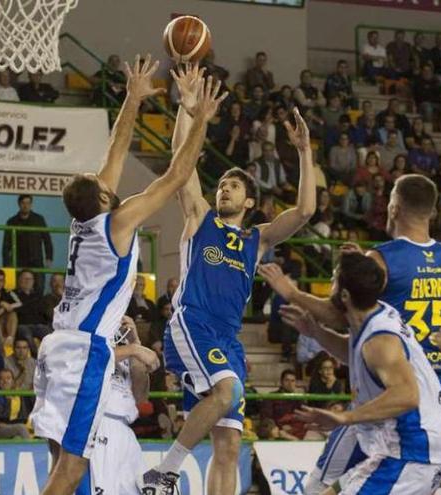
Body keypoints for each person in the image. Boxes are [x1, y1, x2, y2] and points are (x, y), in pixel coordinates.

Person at [32, 57, 222, 495]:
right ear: (100, 197)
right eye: (101, 184)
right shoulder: (116, 222)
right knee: (72, 470)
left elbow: (114, 151)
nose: (108, 180)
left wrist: (133, 98)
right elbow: (176, 176)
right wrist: (200, 121)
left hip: (57, 346)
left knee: (61, 463)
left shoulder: (85, 221)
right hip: (83, 352)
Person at [138, 61, 315, 495]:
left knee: (230, 445)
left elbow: (306, 211)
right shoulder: (201, 219)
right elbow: (181, 169)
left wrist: (305, 153)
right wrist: (188, 107)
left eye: (234, 187)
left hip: (227, 339)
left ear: (250, 201)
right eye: (222, 185)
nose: (225, 189)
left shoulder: (256, 239)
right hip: (192, 324)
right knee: (227, 390)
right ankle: (165, 471)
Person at [258, 174, 441, 493]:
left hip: (395, 393)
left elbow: (339, 314)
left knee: (323, 484)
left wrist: (292, 292)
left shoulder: (385, 259)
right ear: (434, 211)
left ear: (393, 207)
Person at [282, 252, 441, 494]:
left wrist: (345, 418)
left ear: (345, 296)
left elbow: (407, 395)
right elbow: (354, 352)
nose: (329, 285)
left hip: (410, 456)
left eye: (333, 280)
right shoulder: (375, 314)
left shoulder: (380, 341)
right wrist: (316, 332)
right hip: (394, 449)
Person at [76, 320, 151, 495]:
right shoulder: (86, 328)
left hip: (125, 430)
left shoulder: (124, 341)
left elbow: (141, 396)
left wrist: (135, 342)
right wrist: (134, 349)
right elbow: (91, 359)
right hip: (100, 423)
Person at [1, 194, 53, 289]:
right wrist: (6, 264)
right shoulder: (12, 221)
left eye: (28, 203)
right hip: (19, 261)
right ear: (19, 204)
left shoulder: (39, 220)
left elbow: (47, 239)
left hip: (36, 260)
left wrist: (49, 257)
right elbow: (6, 244)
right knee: (19, 288)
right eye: (23, 203)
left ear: (31, 204)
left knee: (39, 287)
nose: (26, 205)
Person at [12, 270, 51, 353]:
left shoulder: (38, 295)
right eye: (25, 278)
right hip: (23, 325)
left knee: (49, 334)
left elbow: (43, 312)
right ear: (19, 280)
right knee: (27, 335)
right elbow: (15, 310)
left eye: (30, 279)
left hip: (39, 325)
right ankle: (36, 357)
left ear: (33, 281)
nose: (27, 281)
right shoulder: (13, 294)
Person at [0, 369, 30, 439]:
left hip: (15, 427)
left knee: (17, 438)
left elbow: (23, 416)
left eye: (8, 378)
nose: (5, 381)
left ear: (13, 381)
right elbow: (2, 416)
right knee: (20, 428)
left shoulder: (19, 395)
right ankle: (31, 448)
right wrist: (9, 401)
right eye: (1, 379)